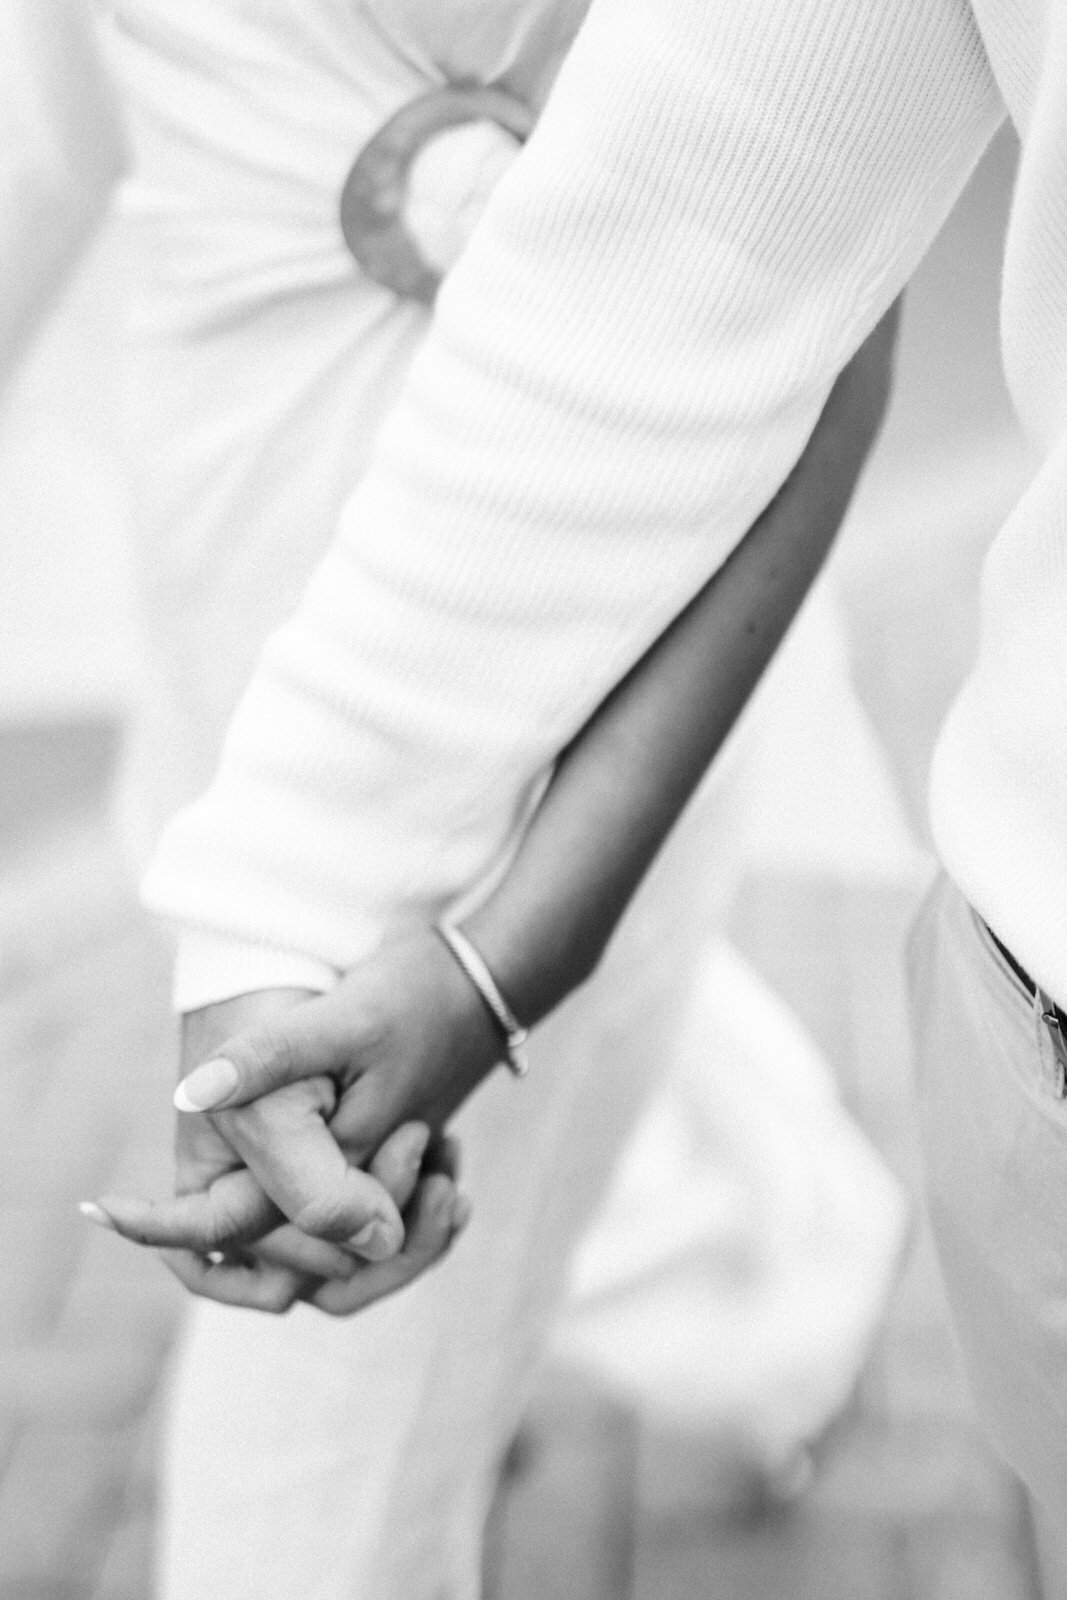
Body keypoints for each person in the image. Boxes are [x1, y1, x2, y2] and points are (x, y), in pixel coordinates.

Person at [89, 0, 1067, 1586]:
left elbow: (772, 271)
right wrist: (282, 876)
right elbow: (43, 150)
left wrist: (503, 947)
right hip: (254, 630)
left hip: (578, 693)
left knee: (297, 1512)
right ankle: (768, 1264)